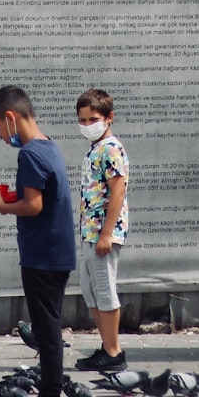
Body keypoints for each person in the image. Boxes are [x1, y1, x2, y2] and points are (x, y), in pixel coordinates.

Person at [0, 85, 77, 397]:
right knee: (48, 328)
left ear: (10, 118)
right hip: (57, 253)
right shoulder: (48, 145)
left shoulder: (28, 154)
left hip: (42, 256)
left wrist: (4, 206)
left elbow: (34, 205)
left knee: (47, 332)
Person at [72, 89, 130, 372]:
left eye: (92, 119)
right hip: (89, 232)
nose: (87, 125)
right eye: (82, 120)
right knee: (91, 289)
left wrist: (106, 234)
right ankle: (106, 346)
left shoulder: (110, 148)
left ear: (109, 117)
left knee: (104, 289)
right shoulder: (95, 148)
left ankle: (113, 351)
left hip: (102, 233)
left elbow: (118, 190)